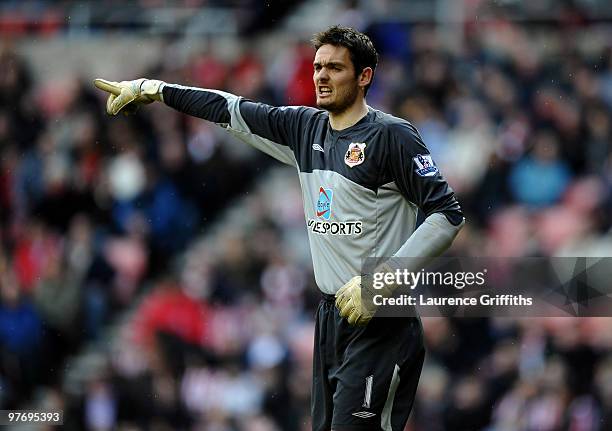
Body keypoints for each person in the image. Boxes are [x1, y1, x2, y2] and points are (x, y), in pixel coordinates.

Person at [94, 25, 464, 431]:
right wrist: (156, 89)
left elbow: (446, 214)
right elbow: (229, 109)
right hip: (332, 317)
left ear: (364, 77)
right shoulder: (304, 128)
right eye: (317, 67)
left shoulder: (391, 135)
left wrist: (381, 282)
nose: (321, 76)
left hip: (382, 320)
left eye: (335, 68)